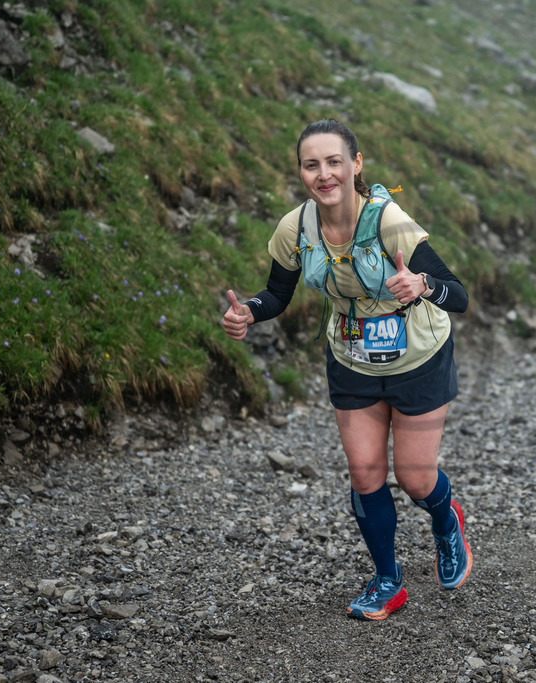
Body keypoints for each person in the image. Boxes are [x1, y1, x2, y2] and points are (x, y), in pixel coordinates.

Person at [221, 119, 472, 621]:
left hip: (419, 355)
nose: (324, 173)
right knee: (365, 474)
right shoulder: (295, 228)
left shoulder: (390, 221)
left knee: (416, 477)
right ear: (301, 172)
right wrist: (249, 310)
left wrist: (421, 283)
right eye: (312, 164)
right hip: (352, 357)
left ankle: (446, 522)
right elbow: (276, 293)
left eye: (334, 162)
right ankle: (387, 580)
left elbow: (458, 294)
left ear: (355, 165)